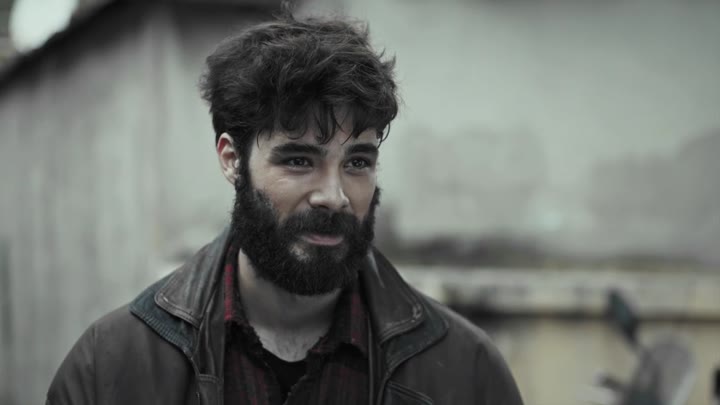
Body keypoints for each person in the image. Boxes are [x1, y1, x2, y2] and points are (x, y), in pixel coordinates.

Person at [46, 11, 524, 405]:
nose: (334, 195)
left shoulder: (467, 373)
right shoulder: (110, 368)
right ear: (231, 160)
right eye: (299, 160)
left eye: (357, 162)